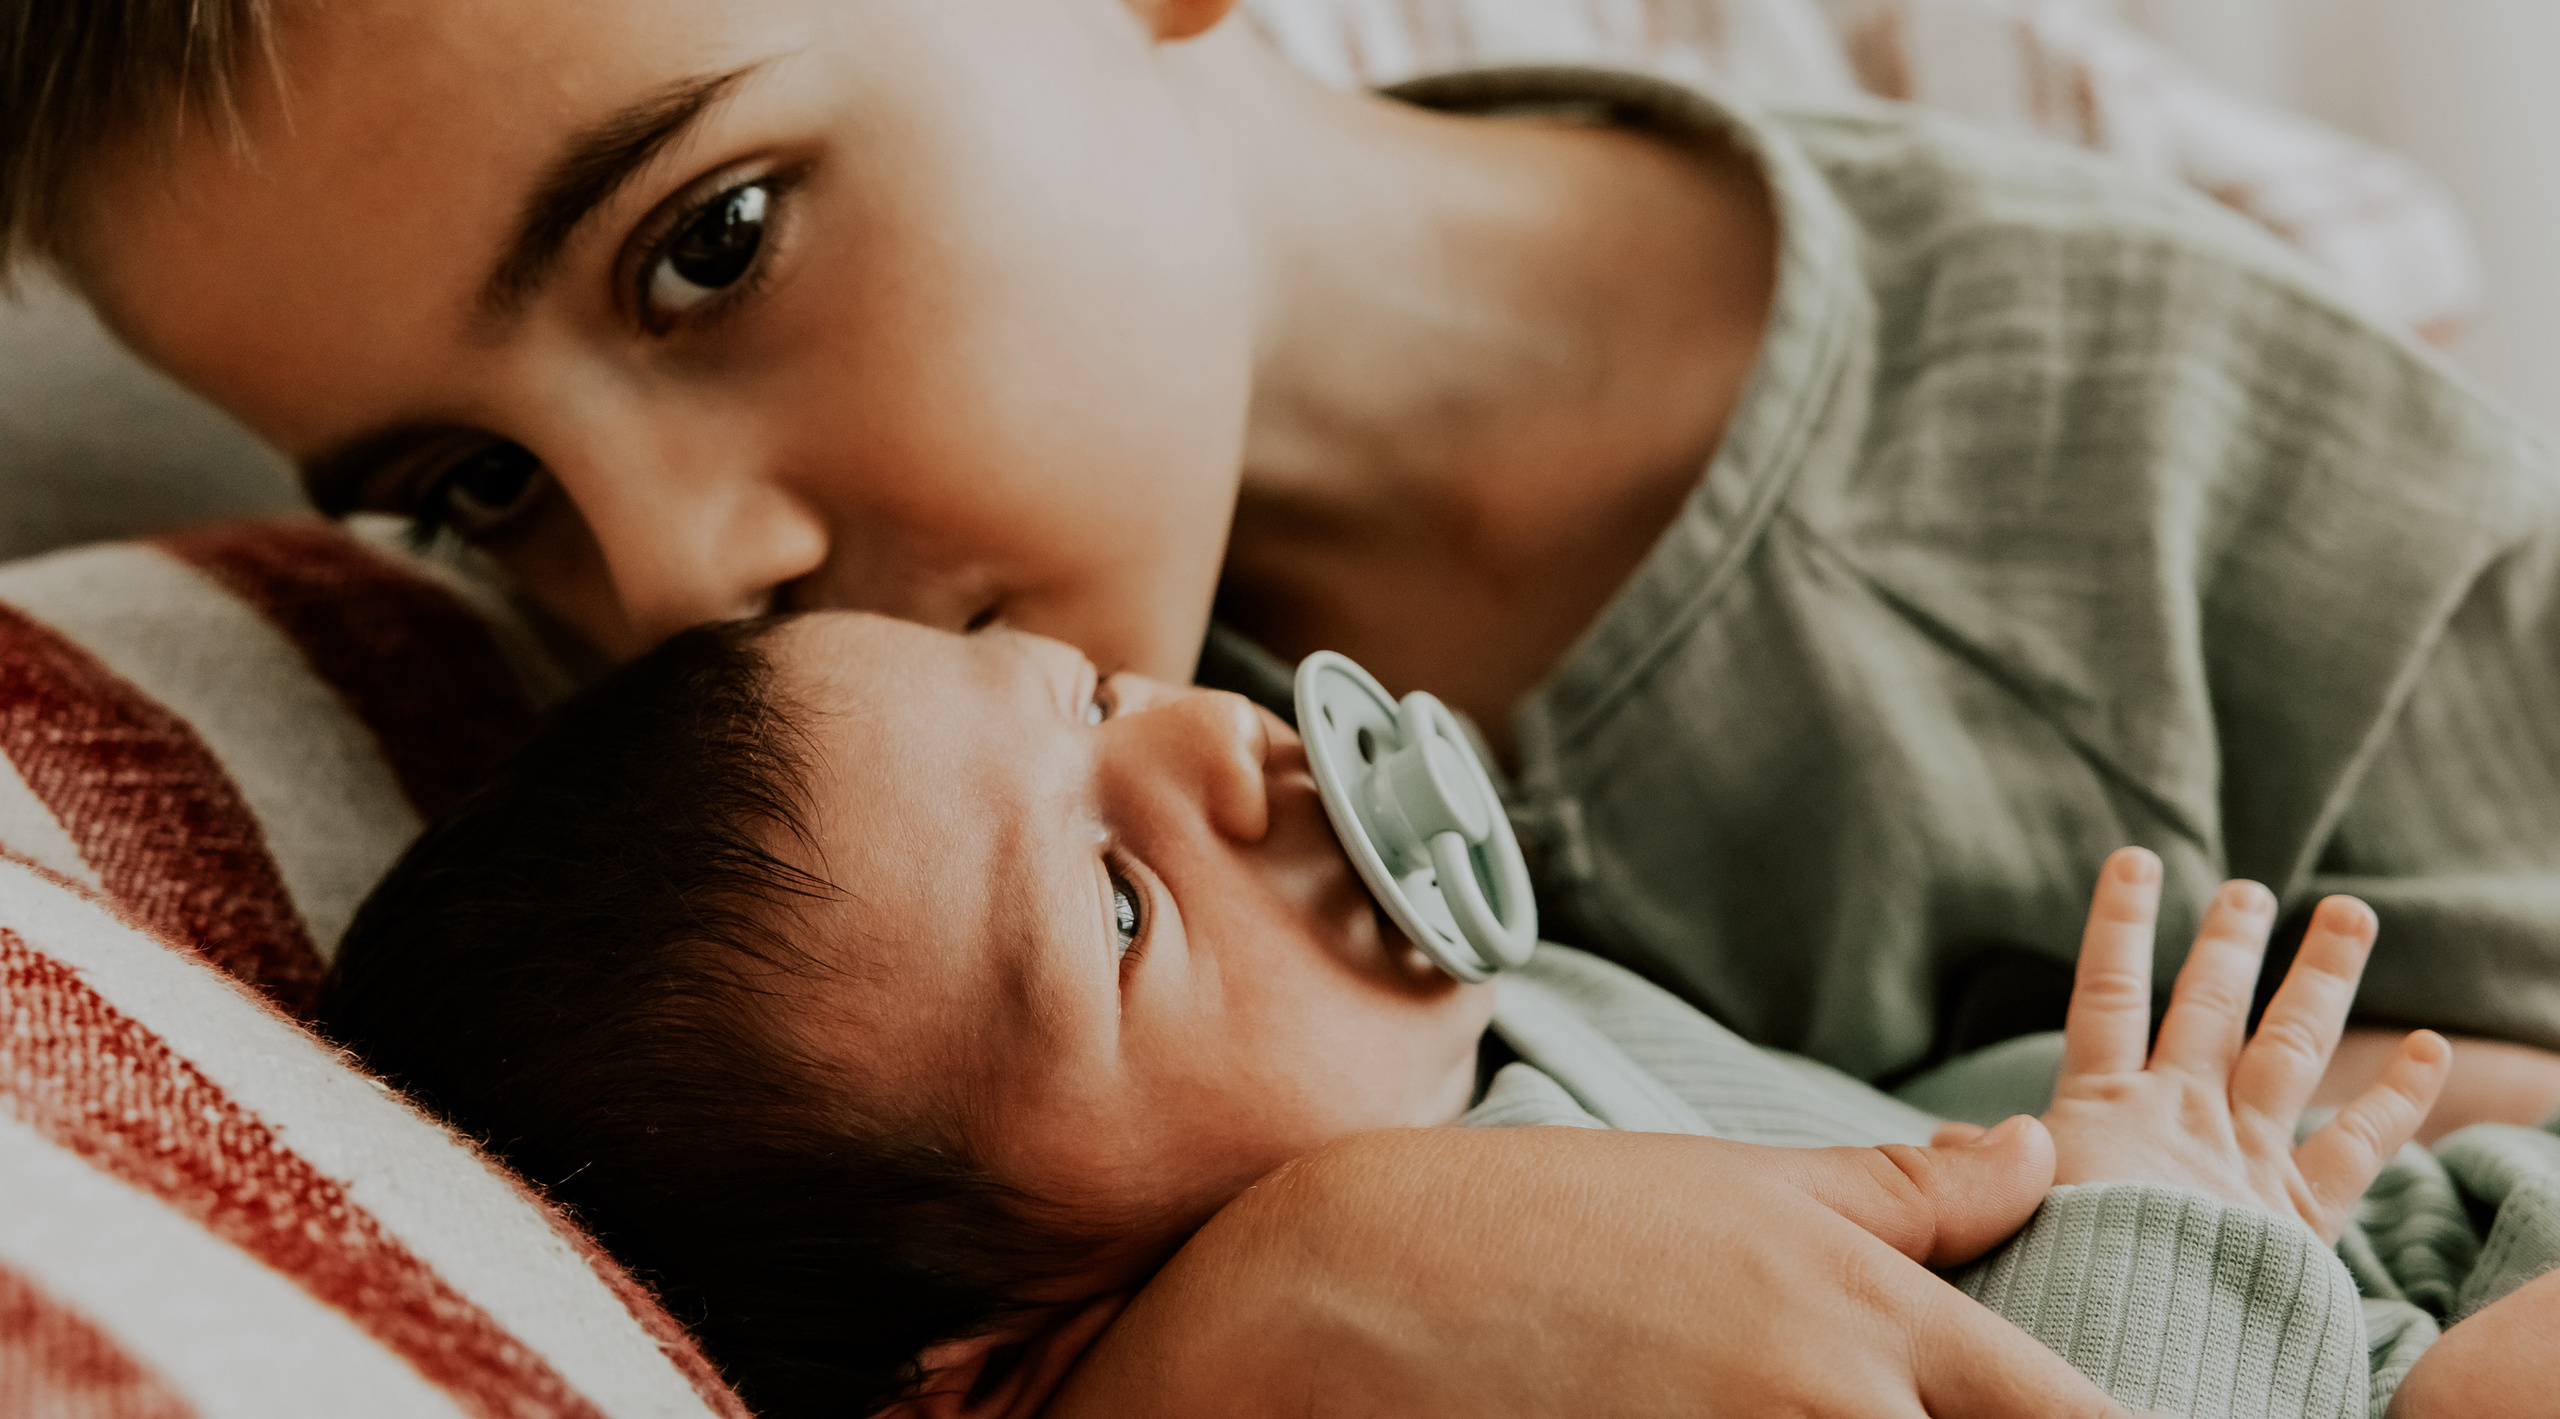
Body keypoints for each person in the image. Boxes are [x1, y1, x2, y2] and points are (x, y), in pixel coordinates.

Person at [12, 0, 2560, 1410]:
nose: (676, 578)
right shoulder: (887, 839)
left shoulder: (2122, 459)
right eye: (474, 484)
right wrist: (1250, 1309)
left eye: (713, 241)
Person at [320, 610, 2560, 1419]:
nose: (1209, 746)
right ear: (988, 1356)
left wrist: (2159, 1131)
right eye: (1109, 906)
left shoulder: (1450, 1045)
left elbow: (1871, 1141)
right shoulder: (1436, 1347)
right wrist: (2167, 1207)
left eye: (1091, 695)